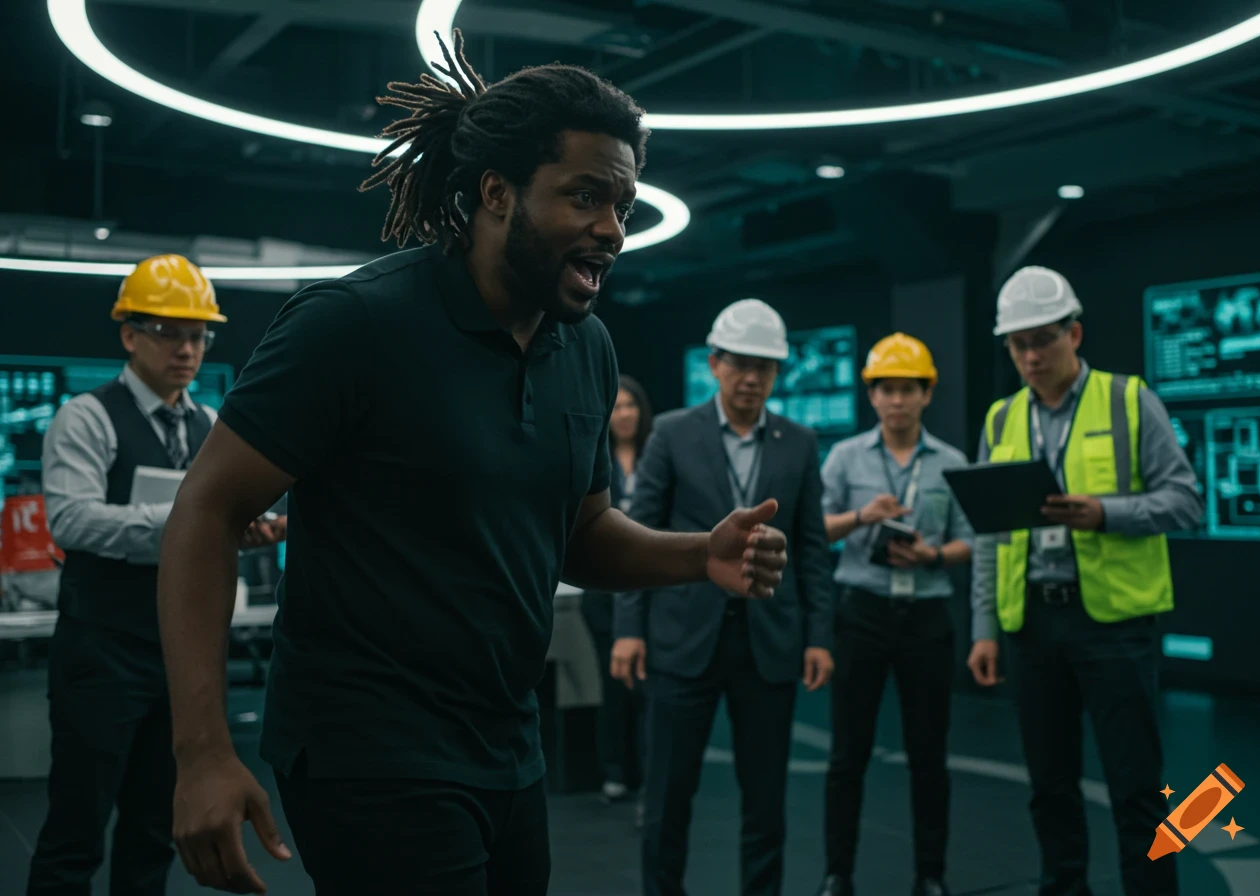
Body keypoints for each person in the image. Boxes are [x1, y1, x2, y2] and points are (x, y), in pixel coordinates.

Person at [156, 30, 791, 896]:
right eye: (585, 198)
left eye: (624, 207)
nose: (611, 230)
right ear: (496, 192)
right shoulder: (354, 325)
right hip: (369, 750)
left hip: (506, 747)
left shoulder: (587, 348)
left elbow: (581, 534)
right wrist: (201, 751)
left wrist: (698, 555)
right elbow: (207, 512)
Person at [26, 255, 284, 896]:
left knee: (152, 832)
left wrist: (245, 527)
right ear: (129, 334)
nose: (187, 349)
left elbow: (216, 526)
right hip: (101, 657)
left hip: (181, 661)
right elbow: (75, 523)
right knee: (74, 834)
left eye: (199, 336)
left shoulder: (211, 427)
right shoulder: (85, 418)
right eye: (171, 333)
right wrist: (191, 520)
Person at [967, 266, 1202, 896]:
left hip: (1114, 626)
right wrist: (984, 629)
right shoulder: (999, 420)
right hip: (1032, 626)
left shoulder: (1129, 400)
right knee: (1049, 788)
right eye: (1018, 345)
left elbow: (1186, 500)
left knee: (1137, 789)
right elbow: (991, 536)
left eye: (1043, 339)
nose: (1031, 355)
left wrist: (1106, 513)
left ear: (1074, 333)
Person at [613, 298, 835, 896]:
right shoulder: (672, 433)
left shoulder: (799, 442)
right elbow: (639, 537)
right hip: (682, 638)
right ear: (714, 363)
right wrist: (628, 627)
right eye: (740, 363)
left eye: (764, 366)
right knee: (667, 797)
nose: (751, 377)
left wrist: (819, 637)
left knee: (765, 802)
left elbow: (813, 548)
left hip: (770, 642)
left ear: (778, 372)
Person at [813, 333, 973, 896]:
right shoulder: (845, 457)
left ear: (926, 393)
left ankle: (931, 874)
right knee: (846, 754)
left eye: (908, 390)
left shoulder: (951, 463)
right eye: (887, 390)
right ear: (872, 395)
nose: (897, 400)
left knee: (929, 755)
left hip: (927, 616)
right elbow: (815, 529)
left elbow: (971, 543)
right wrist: (861, 517)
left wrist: (931, 555)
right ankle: (838, 873)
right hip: (862, 613)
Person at [579, 374, 653, 809]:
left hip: (647, 584)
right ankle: (614, 772)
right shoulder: (595, 456)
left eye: (631, 406)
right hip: (602, 590)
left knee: (647, 685)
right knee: (613, 684)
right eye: (617, 406)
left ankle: (646, 775)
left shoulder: (657, 455)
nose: (624, 414)